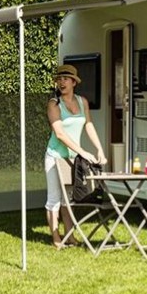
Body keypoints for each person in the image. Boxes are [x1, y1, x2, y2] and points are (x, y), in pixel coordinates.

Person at [45, 63, 106, 247]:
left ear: (74, 82)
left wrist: (99, 149)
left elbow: (88, 125)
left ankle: (69, 236)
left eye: (66, 79)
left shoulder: (82, 102)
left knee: (68, 199)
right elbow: (60, 134)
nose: (62, 82)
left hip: (73, 158)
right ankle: (56, 238)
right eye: (59, 79)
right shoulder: (54, 104)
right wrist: (83, 152)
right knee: (54, 199)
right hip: (55, 156)